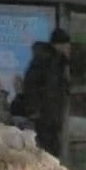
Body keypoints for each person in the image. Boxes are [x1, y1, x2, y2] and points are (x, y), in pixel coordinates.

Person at [22, 28, 71, 157]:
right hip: (45, 116)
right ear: (59, 45)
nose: (69, 48)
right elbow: (30, 85)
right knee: (48, 150)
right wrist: (34, 111)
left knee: (53, 149)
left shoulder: (59, 62)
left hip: (53, 115)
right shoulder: (44, 61)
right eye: (66, 44)